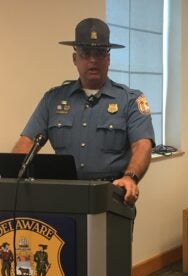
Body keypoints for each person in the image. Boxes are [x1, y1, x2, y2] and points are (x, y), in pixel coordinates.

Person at [12, 18, 155, 204]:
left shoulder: (130, 100)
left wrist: (130, 177)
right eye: (86, 53)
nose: (93, 60)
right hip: (63, 197)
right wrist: (11, 175)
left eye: (100, 53)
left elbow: (142, 146)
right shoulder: (53, 99)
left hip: (111, 195)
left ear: (108, 59)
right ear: (75, 59)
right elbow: (27, 141)